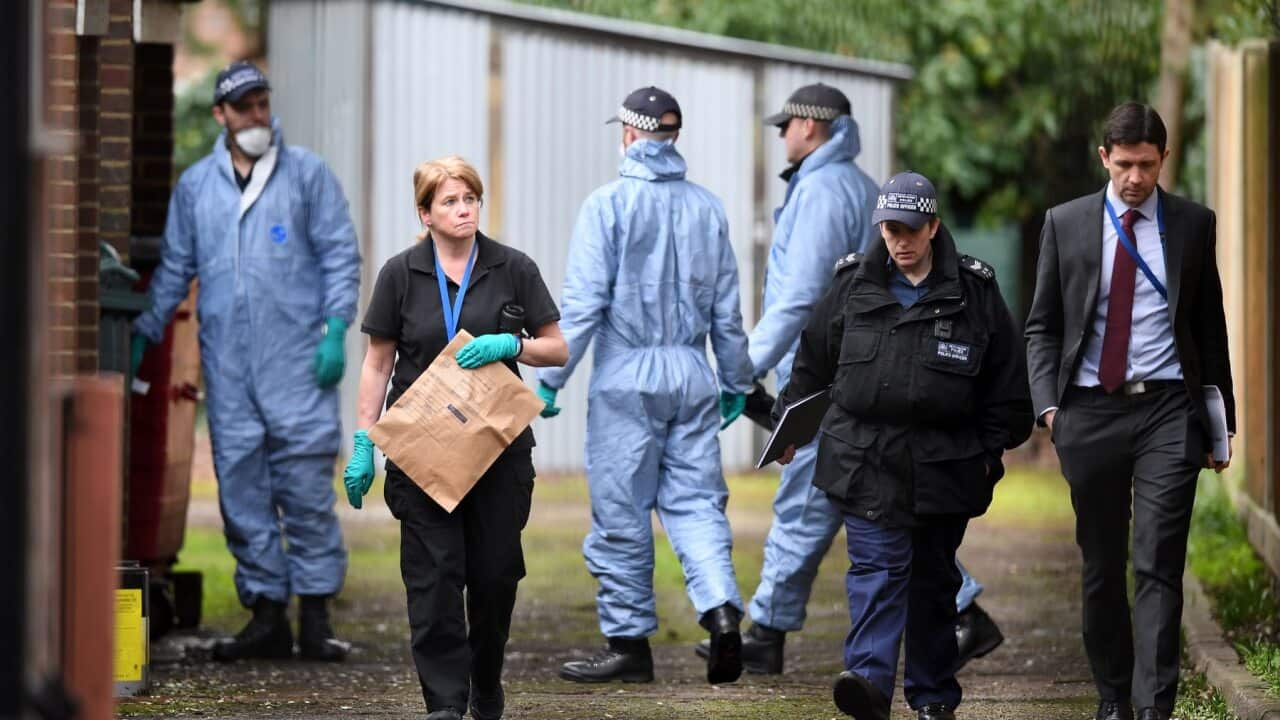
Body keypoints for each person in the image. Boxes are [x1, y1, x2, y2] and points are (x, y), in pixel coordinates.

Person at [694, 83, 1004, 676]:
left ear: (811, 127)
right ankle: (773, 627)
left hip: (834, 384)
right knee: (856, 504)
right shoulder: (859, 186)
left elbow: (799, 301)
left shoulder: (820, 190)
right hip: (862, 374)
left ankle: (957, 612)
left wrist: (742, 370)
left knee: (828, 504)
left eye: (787, 126)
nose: (783, 135)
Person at [776, 171, 1033, 720]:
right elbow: (812, 362)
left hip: (946, 468)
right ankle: (867, 684)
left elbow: (1008, 389)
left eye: (912, 228)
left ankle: (933, 696)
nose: (901, 240)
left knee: (933, 585)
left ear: (934, 226)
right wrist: (788, 427)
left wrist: (987, 457)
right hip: (863, 460)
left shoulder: (975, 291)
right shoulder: (850, 285)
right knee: (876, 571)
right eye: (891, 228)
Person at [130, 61, 359, 663]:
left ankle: (314, 615)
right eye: (245, 107)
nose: (257, 115)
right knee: (241, 491)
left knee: (306, 489)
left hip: (298, 364)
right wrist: (145, 331)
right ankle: (265, 614)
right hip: (230, 370)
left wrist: (336, 329)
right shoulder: (197, 188)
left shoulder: (307, 176)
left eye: (263, 103)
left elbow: (340, 255)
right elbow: (177, 268)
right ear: (221, 116)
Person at [537, 86, 755, 686]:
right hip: (691, 374)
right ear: (673, 137)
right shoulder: (709, 209)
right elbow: (728, 315)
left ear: (629, 135)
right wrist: (736, 380)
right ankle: (722, 612)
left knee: (622, 513)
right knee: (696, 503)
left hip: (626, 378)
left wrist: (550, 379)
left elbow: (581, 308)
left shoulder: (605, 206)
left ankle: (630, 645)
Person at [1025, 103, 1234, 720]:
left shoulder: (1194, 224)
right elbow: (1041, 326)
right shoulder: (1065, 223)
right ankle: (1113, 695)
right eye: (1124, 165)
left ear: (1163, 159)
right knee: (1100, 565)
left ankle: (1153, 707)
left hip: (1170, 408)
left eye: (1146, 165)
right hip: (1089, 411)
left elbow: (1209, 326)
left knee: (1159, 563)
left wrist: (1220, 425)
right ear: (1104, 159)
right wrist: (1051, 412)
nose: (1135, 178)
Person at [342, 156, 567, 720]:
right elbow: (376, 363)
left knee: (494, 576)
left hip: (496, 447)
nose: (464, 209)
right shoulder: (400, 273)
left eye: (470, 198)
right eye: (449, 200)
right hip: (421, 449)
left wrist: (510, 346)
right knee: (434, 580)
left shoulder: (513, 268)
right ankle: (444, 704)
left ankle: (484, 677)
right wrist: (366, 439)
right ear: (425, 213)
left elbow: (556, 346)